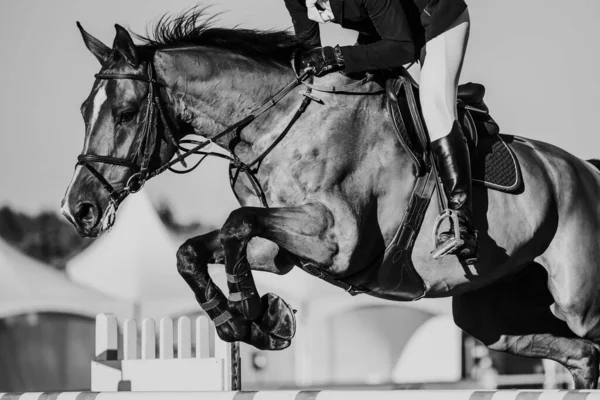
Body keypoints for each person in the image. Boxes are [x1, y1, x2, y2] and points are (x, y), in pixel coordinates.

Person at [284, 0, 477, 264]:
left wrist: (336, 56)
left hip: (436, 21)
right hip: (385, 27)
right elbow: (308, 51)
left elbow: (402, 49)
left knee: (434, 105)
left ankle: (460, 218)